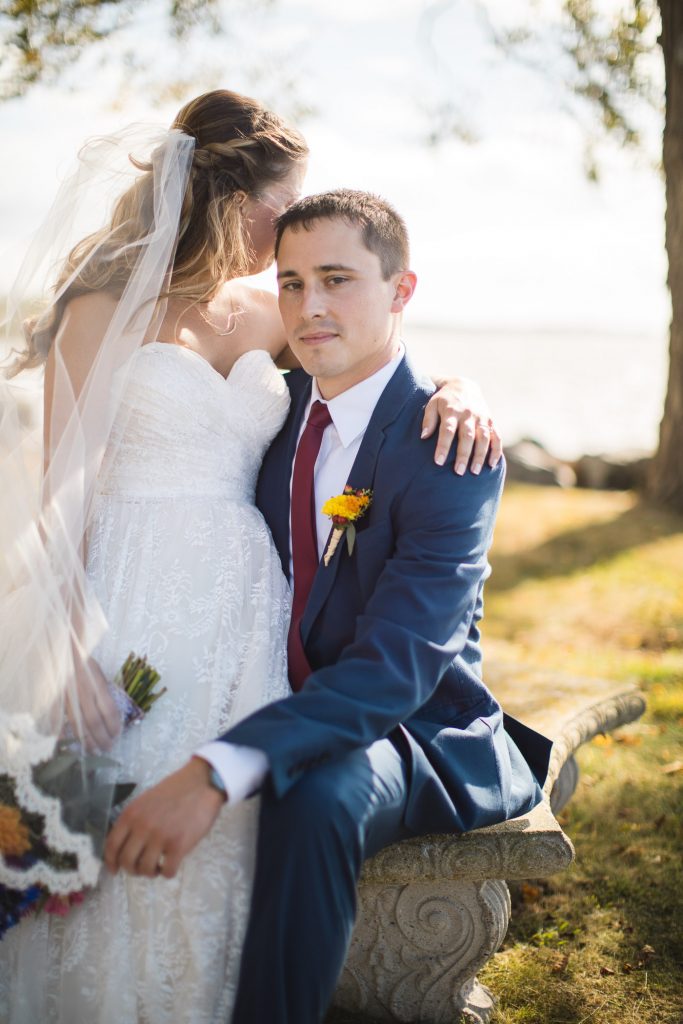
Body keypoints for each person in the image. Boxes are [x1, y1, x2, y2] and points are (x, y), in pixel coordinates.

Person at [0, 94, 499, 1023]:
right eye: (284, 205)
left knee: (233, 831)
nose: (291, 245)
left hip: (250, 604)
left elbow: (361, 348)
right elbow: (62, 490)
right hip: (130, 585)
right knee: (115, 803)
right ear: (234, 202)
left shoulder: (264, 311)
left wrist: (459, 389)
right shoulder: (106, 309)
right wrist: (67, 641)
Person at [104, 189, 552, 1024]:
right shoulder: (272, 412)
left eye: (337, 280)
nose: (310, 308)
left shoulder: (446, 446)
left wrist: (213, 771)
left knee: (314, 797)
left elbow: (398, 669)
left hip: (409, 727)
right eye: (291, 283)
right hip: (270, 685)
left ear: (401, 290)